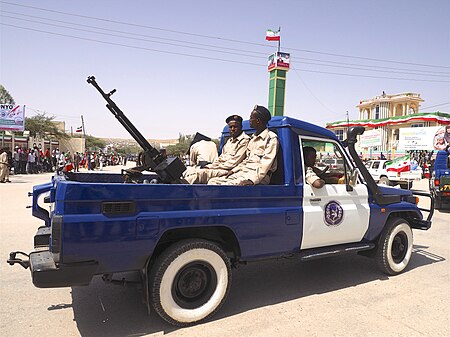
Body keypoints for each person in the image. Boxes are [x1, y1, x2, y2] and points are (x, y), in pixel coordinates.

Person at [208, 105, 278, 186]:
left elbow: (265, 165)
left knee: (228, 186)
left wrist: (252, 180)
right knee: (213, 182)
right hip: (244, 171)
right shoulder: (253, 138)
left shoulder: (271, 138)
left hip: (258, 175)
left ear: (258, 121)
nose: (250, 120)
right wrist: (234, 170)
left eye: (251, 118)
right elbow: (246, 160)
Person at [183, 114, 250, 184]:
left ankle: (180, 189)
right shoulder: (229, 142)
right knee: (190, 170)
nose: (232, 129)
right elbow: (220, 158)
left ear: (241, 127)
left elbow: (234, 162)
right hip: (219, 168)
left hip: (230, 170)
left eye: (235, 127)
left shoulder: (244, 141)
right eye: (230, 127)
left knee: (201, 174)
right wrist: (210, 166)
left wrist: (213, 167)